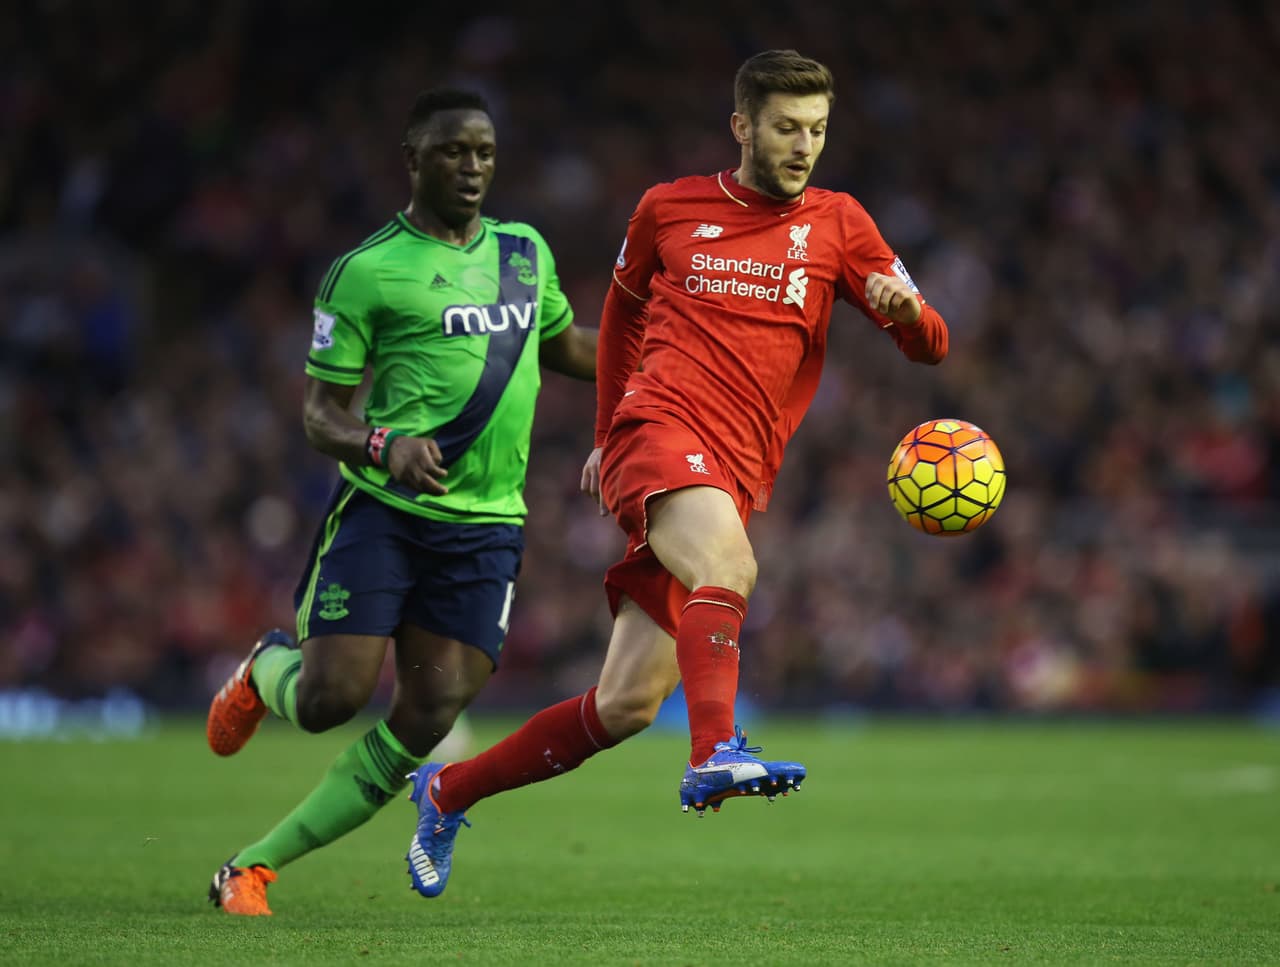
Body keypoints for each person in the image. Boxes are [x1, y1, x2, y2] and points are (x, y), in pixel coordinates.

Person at [404, 48, 950, 898]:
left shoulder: (842, 224)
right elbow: (620, 320)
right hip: (657, 430)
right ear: (742, 126)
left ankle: (446, 789)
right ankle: (716, 750)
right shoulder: (668, 209)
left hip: (736, 467)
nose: (804, 145)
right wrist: (606, 428)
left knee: (622, 705)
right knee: (730, 566)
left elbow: (932, 345)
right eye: (785, 128)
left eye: (817, 130)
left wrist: (908, 313)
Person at [203, 87, 596, 916]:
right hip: (387, 511)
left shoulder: (525, 252)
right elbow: (319, 414)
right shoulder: (366, 271)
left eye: (485, 152)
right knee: (328, 701)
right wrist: (385, 445)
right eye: (454, 151)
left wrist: (670, 356)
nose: (473, 167)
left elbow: (566, 347)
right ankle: (263, 667)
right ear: (413, 159)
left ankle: (252, 868)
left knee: (426, 716)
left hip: (488, 525)